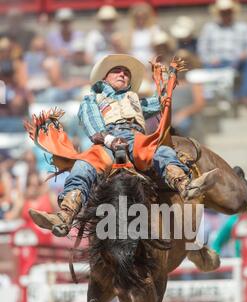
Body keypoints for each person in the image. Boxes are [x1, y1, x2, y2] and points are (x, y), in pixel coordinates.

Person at [28, 53, 218, 236]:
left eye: (126, 73)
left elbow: (161, 102)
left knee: (161, 151)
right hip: (107, 141)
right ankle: (65, 215)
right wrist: (110, 140)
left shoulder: (135, 100)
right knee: (84, 166)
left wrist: (167, 83)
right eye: (117, 71)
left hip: (136, 139)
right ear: (105, 77)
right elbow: (91, 123)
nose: (123, 74)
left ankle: (186, 186)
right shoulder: (92, 99)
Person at [198, 0, 247, 105]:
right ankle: (210, 97)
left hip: (237, 61)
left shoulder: (243, 27)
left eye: (228, 11)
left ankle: (245, 95)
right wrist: (210, 59)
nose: (225, 14)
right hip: (216, 62)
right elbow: (202, 48)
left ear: (232, 12)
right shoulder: (209, 28)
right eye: (223, 12)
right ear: (219, 13)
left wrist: (245, 54)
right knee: (206, 65)